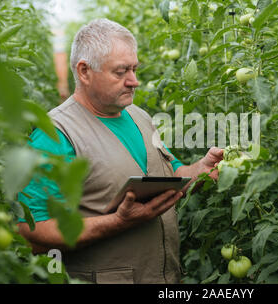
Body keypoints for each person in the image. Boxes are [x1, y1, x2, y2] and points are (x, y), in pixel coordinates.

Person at [17, 18, 223, 284]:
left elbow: (172, 173)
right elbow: (33, 232)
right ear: (84, 71)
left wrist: (200, 170)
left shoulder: (139, 117)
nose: (134, 81)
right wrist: (118, 222)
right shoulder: (55, 135)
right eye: (121, 72)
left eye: (135, 69)